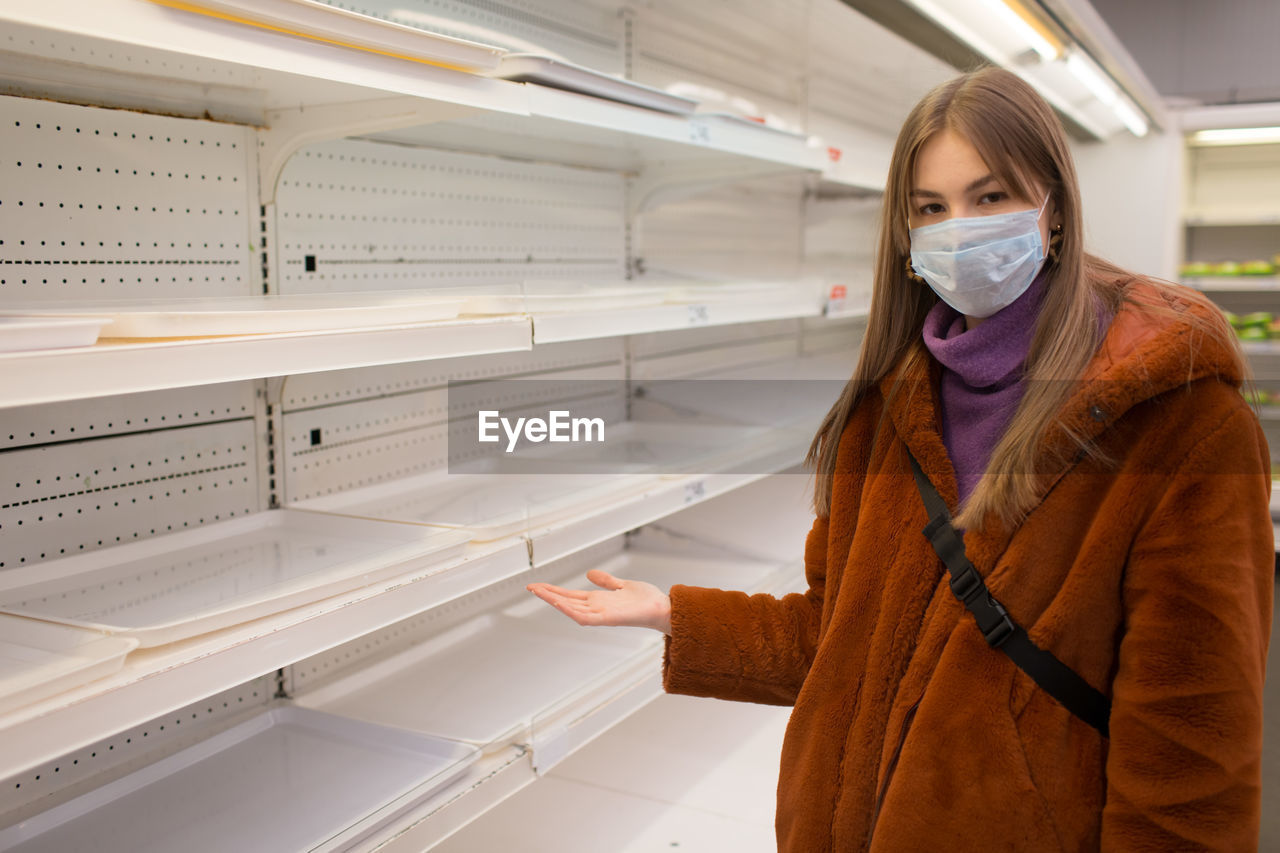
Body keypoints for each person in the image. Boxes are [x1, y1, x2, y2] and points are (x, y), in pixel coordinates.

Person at [526, 66, 1274, 851]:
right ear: (908, 237)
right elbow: (839, 637)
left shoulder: (1177, 422)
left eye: (990, 198)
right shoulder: (888, 407)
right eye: (932, 208)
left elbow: (1192, 756)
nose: (961, 227)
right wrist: (675, 614)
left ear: (1053, 211)